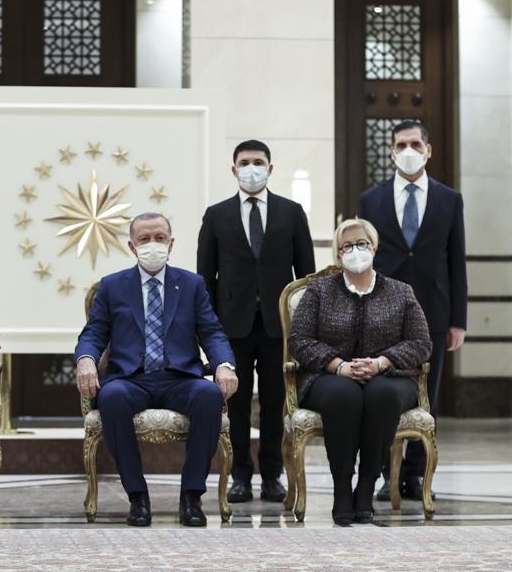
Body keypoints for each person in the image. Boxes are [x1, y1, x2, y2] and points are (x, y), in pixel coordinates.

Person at [75, 213, 238, 527]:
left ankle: (191, 497)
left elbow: (212, 333)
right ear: (132, 246)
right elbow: (94, 333)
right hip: (131, 379)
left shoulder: (191, 285)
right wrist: (86, 360)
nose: (153, 244)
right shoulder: (112, 286)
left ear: (171, 243)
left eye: (160, 238)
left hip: (180, 378)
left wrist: (224, 365)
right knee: (112, 397)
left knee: (208, 395)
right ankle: (137, 497)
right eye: (145, 239)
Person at [288, 218, 431, 526]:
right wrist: (338, 365)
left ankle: (366, 487)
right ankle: (342, 488)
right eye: (347, 246)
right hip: (328, 377)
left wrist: (382, 362)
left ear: (374, 248)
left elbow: (421, 343)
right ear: (338, 254)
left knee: (381, 395)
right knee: (345, 395)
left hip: (390, 376)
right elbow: (299, 340)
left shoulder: (401, 292)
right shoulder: (319, 291)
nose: (355, 251)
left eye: (361, 244)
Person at [197, 139, 315, 504]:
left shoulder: (291, 212)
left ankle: (272, 475)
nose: (252, 168)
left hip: (279, 327)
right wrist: (208, 331)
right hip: (232, 327)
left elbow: (305, 277)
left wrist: (303, 327)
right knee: (235, 403)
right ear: (234, 169)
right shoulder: (216, 215)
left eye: (258, 162)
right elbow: (205, 278)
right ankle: (240, 475)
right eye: (245, 162)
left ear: (270, 168)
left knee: (274, 402)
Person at [357, 120, 467, 501]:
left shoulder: (449, 200)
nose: (408, 150)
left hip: (433, 310)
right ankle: (386, 472)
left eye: (415, 144)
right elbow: (364, 257)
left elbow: (456, 261)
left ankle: (416, 474)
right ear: (391, 152)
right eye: (401, 144)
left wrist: (458, 321)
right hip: (381, 311)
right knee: (382, 392)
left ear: (428, 150)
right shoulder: (370, 200)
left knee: (426, 397)